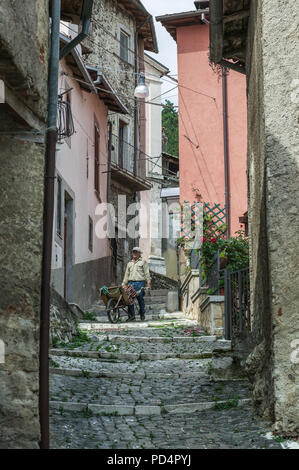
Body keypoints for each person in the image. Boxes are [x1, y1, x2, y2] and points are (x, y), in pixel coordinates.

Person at [122, 247, 151, 321]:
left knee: (140, 298)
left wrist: (148, 283)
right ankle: (131, 316)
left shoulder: (143, 262)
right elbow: (126, 274)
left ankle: (142, 314)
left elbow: (147, 273)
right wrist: (124, 283)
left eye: (136, 252)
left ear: (139, 253)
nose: (134, 253)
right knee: (129, 299)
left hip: (140, 283)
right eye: (133, 252)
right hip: (131, 283)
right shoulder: (129, 263)